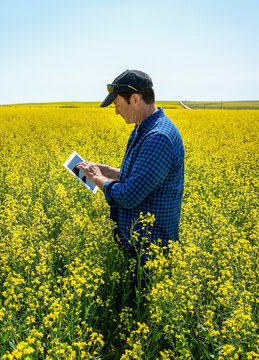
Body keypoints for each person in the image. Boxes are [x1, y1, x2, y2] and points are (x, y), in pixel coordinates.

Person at [76, 69, 185, 312]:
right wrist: (109, 171)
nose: (115, 111)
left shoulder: (158, 137)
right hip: (138, 240)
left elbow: (129, 195)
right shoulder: (142, 128)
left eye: (117, 104)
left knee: (140, 310)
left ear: (135, 99)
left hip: (150, 245)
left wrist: (97, 180)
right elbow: (141, 177)